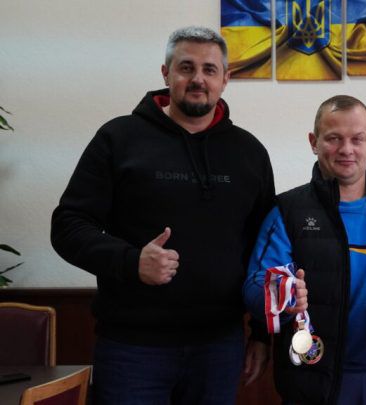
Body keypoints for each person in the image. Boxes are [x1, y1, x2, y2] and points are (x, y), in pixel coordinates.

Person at [50, 26, 275, 404]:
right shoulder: (118, 138)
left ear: (226, 78)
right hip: (132, 349)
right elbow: (68, 226)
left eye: (209, 69)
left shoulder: (250, 153)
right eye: (186, 67)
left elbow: (265, 249)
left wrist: (262, 334)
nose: (198, 78)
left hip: (219, 348)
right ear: (166, 73)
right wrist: (130, 260)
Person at [243, 95, 366, 404]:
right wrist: (282, 298)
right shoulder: (286, 211)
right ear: (314, 142)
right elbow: (256, 283)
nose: (346, 149)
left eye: (357, 139)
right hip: (313, 385)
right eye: (334, 138)